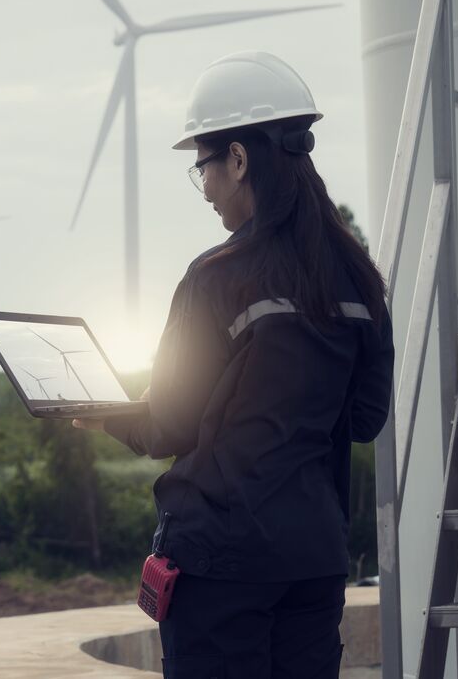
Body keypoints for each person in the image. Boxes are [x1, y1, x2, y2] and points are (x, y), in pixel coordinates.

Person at [73, 51, 394, 679]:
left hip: (221, 562)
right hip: (314, 559)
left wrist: (108, 414)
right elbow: (364, 417)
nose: (208, 190)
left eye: (204, 169)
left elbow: (168, 425)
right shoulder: (357, 279)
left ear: (239, 160)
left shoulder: (215, 278)